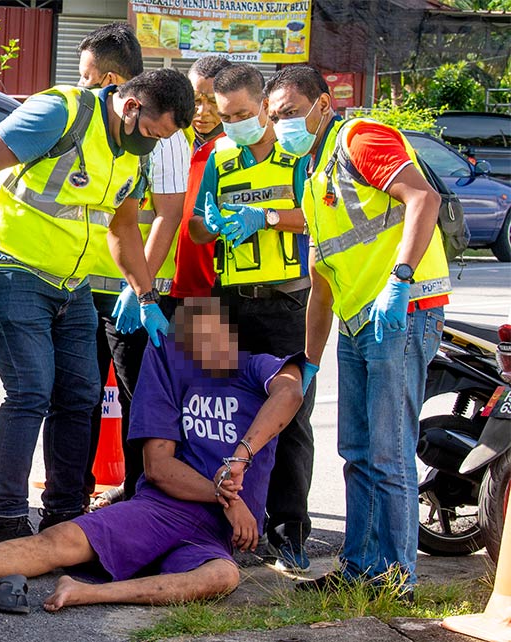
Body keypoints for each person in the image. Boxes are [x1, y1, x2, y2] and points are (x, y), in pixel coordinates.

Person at [0, 69, 195, 547]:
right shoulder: (61, 112)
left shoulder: (129, 156)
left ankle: (64, 517)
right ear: (130, 108)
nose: (153, 145)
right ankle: (5, 522)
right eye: (152, 133)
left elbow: (123, 229)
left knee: (81, 395)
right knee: (30, 393)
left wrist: (145, 295)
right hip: (11, 270)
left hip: (72, 285)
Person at [0, 297, 304, 612]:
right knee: (60, 540)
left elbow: (290, 394)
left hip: (212, 536)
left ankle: (83, 592)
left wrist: (241, 457)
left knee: (222, 578)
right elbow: (157, 468)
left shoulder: (257, 368)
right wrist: (226, 497)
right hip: (162, 509)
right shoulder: (173, 376)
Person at [264, 66, 450, 594]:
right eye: (275, 117)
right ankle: (360, 569)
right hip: (357, 321)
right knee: (359, 451)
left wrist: (400, 279)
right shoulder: (313, 175)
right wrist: (310, 360)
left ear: (323, 104)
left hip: (402, 309)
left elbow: (424, 200)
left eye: (291, 112)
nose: (283, 125)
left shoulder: (358, 138)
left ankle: (396, 577)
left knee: (388, 452)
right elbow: (322, 286)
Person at [188, 63, 316, 572]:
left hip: (288, 300)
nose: (235, 122)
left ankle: (290, 532)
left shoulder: (296, 155)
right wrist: (213, 223)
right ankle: (237, 523)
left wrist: (264, 217)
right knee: (230, 412)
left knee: (292, 418)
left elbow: (315, 216)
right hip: (234, 299)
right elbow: (197, 227)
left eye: (243, 113)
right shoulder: (221, 158)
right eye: (227, 115)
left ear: (264, 105)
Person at [76, 23, 191, 504]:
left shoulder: (163, 135)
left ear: (109, 81)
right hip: (85, 284)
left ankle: (139, 495)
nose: (80, 86)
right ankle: (73, 493)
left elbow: (167, 216)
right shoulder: (92, 124)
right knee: (78, 396)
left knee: (136, 397)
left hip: (135, 294)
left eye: (86, 77)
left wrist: (138, 287)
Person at [170, 55, 232, 300]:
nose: (202, 112)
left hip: (216, 289)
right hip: (162, 284)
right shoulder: (165, 137)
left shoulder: (241, 148)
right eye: (195, 100)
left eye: (213, 102)